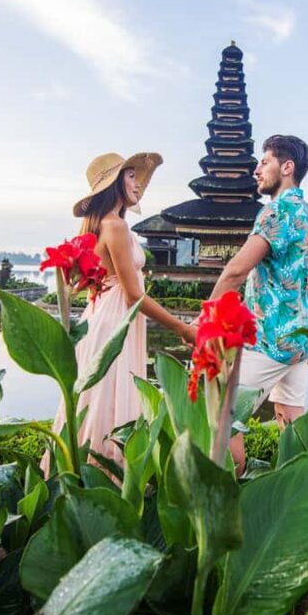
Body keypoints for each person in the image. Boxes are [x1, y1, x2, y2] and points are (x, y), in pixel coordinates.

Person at [44, 152, 196, 474]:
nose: (137, 183)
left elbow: (83, 284)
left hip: (101, 316)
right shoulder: (115, 227)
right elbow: (133, 296)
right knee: (110, 399)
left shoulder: (99, 227)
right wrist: (182, 329)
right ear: (113, 184)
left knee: (98, 400)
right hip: (117, 319)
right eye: (129, 176)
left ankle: (77, 474)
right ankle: (110, 479)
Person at [205, 134, 308, 472]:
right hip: (303, 340)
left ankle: (230, 493)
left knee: (222, 416)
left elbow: (236, 270)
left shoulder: (277, 212)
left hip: (269, 339)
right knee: (292, 426)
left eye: (265, 162)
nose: (256, 170)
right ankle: (297, 502)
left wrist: (207, 320)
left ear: (287, 167)